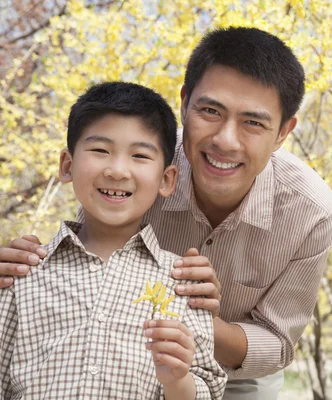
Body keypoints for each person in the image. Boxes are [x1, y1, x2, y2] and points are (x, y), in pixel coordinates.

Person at [0, 27, 332, 399]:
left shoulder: (311, 211)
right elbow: (88, 254)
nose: (225, 140)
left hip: (237, 373)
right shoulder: (137, 163)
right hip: (131, 357)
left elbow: (276, 344)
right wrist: (24, 271)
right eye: (210, 111)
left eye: (253, 122)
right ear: (184, 103)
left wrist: (192, 320)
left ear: (283, 132)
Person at [0, 82, 227, 399]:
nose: (118, 170)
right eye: (100, 150)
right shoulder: (22, 275)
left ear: (166, 179)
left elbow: (207, 391)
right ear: (67, 165)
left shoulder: (184, 284)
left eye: (139, 155)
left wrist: (177, 380)